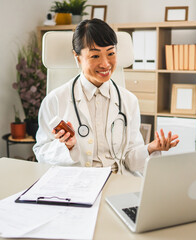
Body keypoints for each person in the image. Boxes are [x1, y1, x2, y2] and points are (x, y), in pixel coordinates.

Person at [33, 19, 179, 175]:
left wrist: (150, 148)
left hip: (117, 179)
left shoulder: (129, 101)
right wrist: (65, 147)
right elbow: (41, 152)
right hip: (77, 180)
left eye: (111, 53)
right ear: (77, 57)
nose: (105, 64)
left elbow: (130, 158)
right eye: (95, 56)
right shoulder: (55, 100)